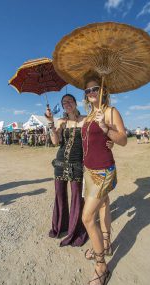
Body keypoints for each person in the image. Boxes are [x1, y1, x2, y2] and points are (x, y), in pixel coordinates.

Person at [46, 94, 114, 247]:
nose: (67, 104)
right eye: (64, 102)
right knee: (59, 195)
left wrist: (110, 142)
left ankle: (74, 231)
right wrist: (51, 123)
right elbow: (56, 142)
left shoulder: (85, 119)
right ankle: (60, 227)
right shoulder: (61, 121)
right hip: (60, 163)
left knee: (77, 197)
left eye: (70, 101)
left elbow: (97, 136)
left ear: (76, 103)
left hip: (78, 163)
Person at [81, 73, 127, 285]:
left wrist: (106, 128)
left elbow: (124, 139)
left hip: (103, 170)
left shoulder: (110, 112)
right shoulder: (89, 115)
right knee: (105, 203)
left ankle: (101, 267)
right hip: (89, 170)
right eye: (87, 90)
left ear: (103, 91)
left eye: (94, 89)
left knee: (87, 217)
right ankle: (106, 242)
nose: (91, 93)